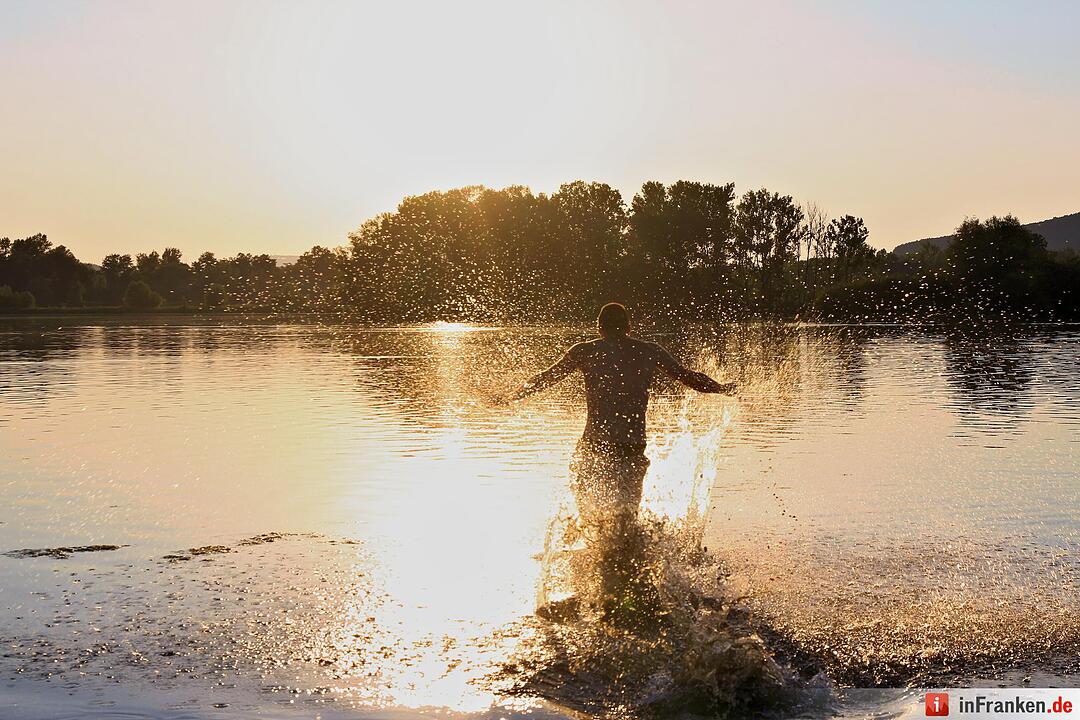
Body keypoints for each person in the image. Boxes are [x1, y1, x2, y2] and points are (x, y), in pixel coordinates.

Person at [497, 302, 735, 619]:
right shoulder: (649, 351)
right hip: (630, 450)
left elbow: (545, 378)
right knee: (624, 523)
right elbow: (689, 378)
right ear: (629, 327)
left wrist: (509, 397)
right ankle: (620, 592)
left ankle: (607, 596)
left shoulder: (586, 351)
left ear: (600, 328)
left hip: (593, 449)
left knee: (594, 522)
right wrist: (723, 388)